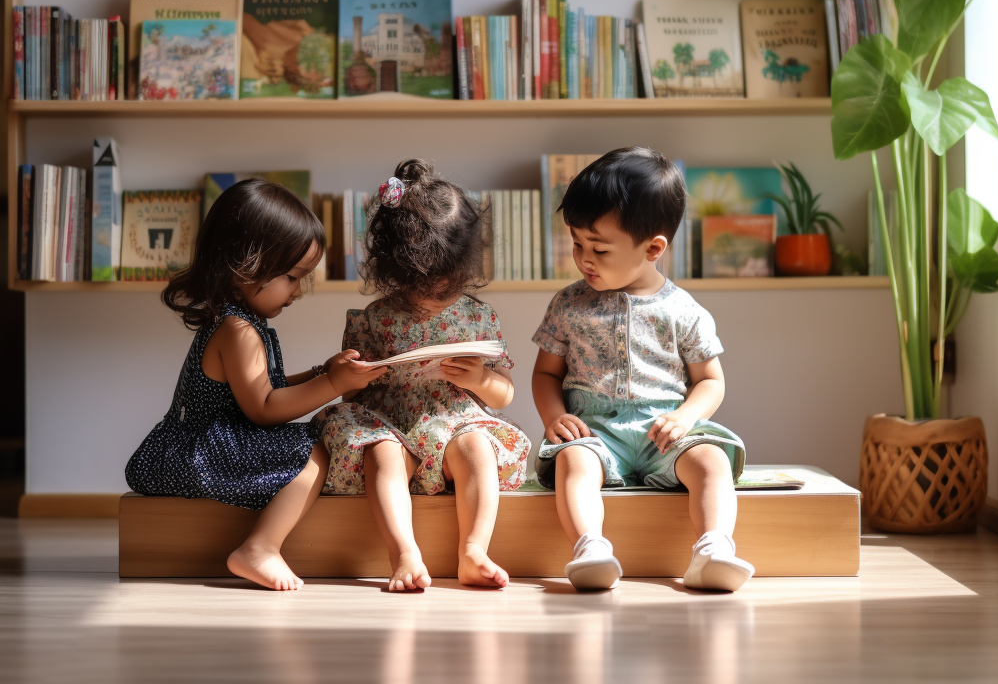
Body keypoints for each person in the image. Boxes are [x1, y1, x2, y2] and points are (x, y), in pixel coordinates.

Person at [126, 178, 385, 591]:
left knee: (316, 438)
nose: (297, 291)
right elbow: (263, 407)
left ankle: (263, 544)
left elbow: (271, 386)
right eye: (291, 276)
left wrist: (322, 372)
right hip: (198, 452)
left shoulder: (244, 324)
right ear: (242, 265)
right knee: (312, 450)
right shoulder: (237, 330)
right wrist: (333, 384)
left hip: (215, 442)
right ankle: (259, 548)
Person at [531, 147, 753, 592]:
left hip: (665, 428)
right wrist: (554, 417)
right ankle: (590, 548)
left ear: (653, 248)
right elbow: (546, 375)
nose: (583, 258)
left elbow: (710, 380)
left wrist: (687, 417)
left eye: (599, 248)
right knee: (573, 462)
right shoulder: (568, 304)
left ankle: (713, 549)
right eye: (576, 243)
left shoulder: (683, 311)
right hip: (594, 430)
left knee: (711, 461)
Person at [319, 159, 530, 592]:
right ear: (395, 271)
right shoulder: (373, 318)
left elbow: (505, 393)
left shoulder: (478, 317)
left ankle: (473, 550)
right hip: (389, 421)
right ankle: (404, 555)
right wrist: (356, 374)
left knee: (476, 446)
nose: (435, 299)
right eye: (421, 287)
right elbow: (350, 394)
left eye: (447, 286)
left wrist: (478, 380)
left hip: (454, 420)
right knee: (380, 452)